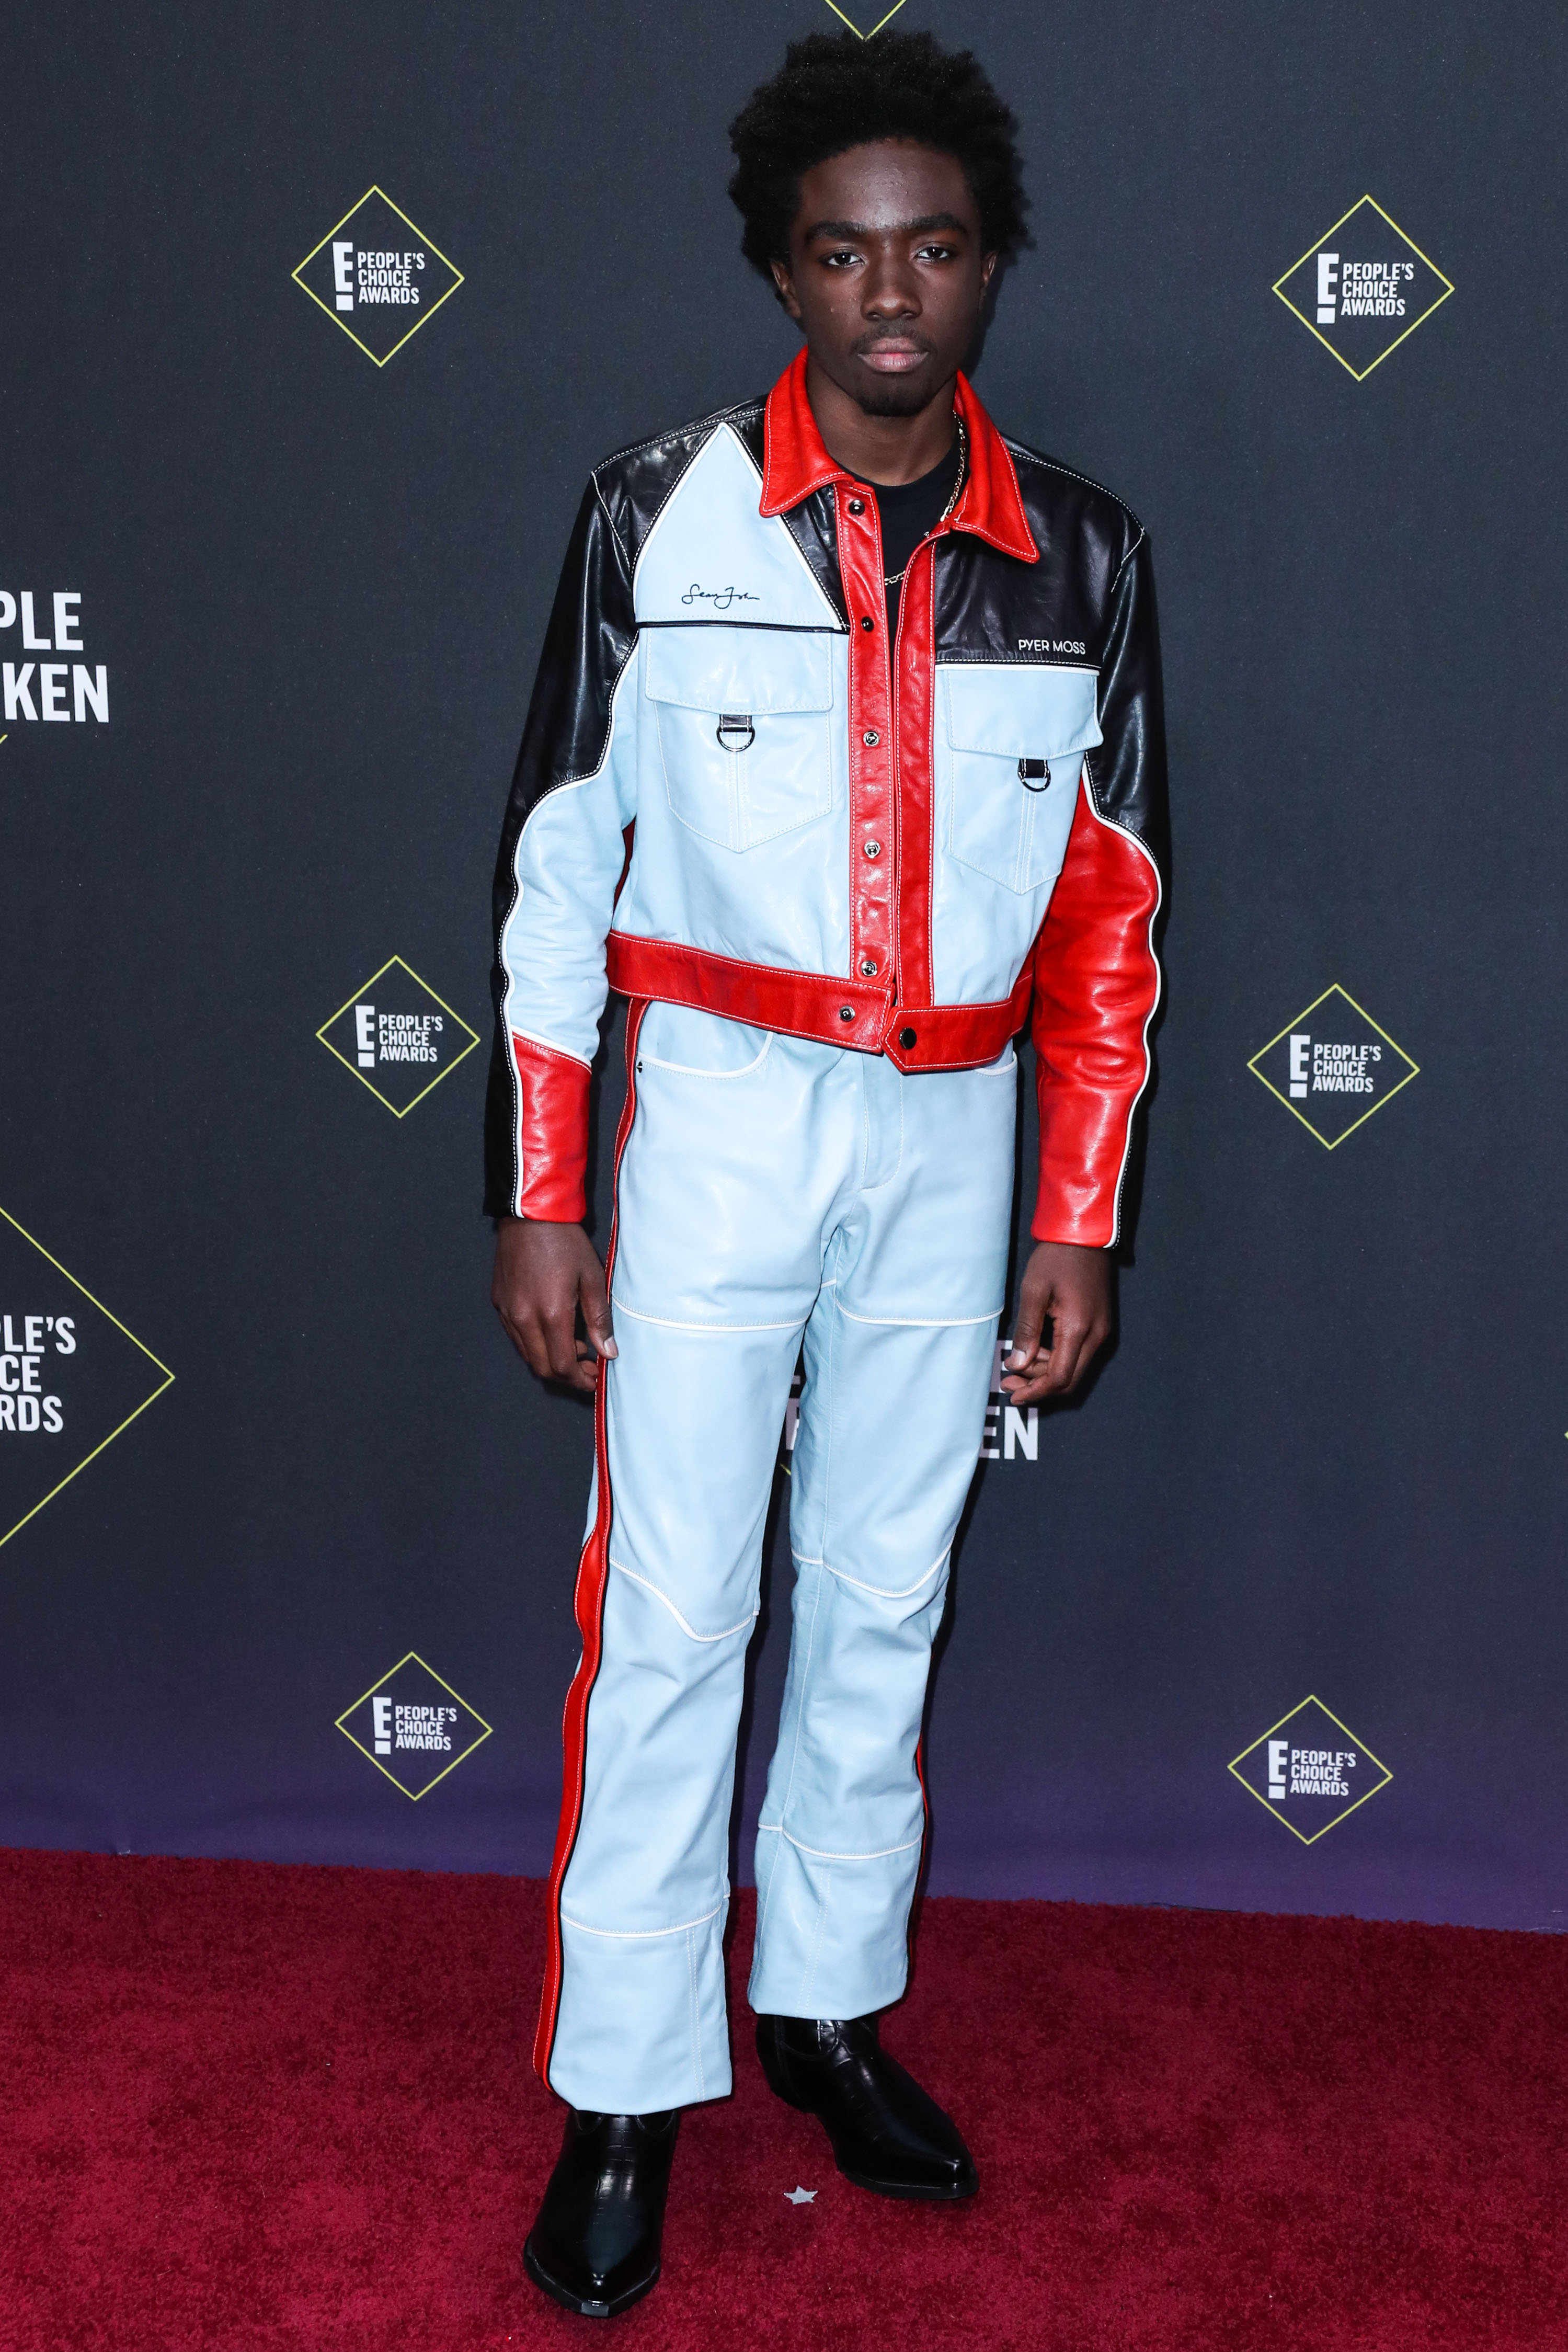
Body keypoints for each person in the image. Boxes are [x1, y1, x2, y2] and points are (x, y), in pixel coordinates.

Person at [485, 27, 1166, 2320]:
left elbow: (1111, 917)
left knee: (881, 1597)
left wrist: (1077, 1213)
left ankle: (826, 2011)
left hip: (955, 1136)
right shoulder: (646, 514)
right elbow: (556, 871)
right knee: (668, 1616)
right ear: (781, 268)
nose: (894, 291)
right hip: (717, 1122)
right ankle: (623, 2084)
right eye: (844, 250)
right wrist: (543, 1182)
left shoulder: (1083, 551)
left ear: (991, 267)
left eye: (939, 246)